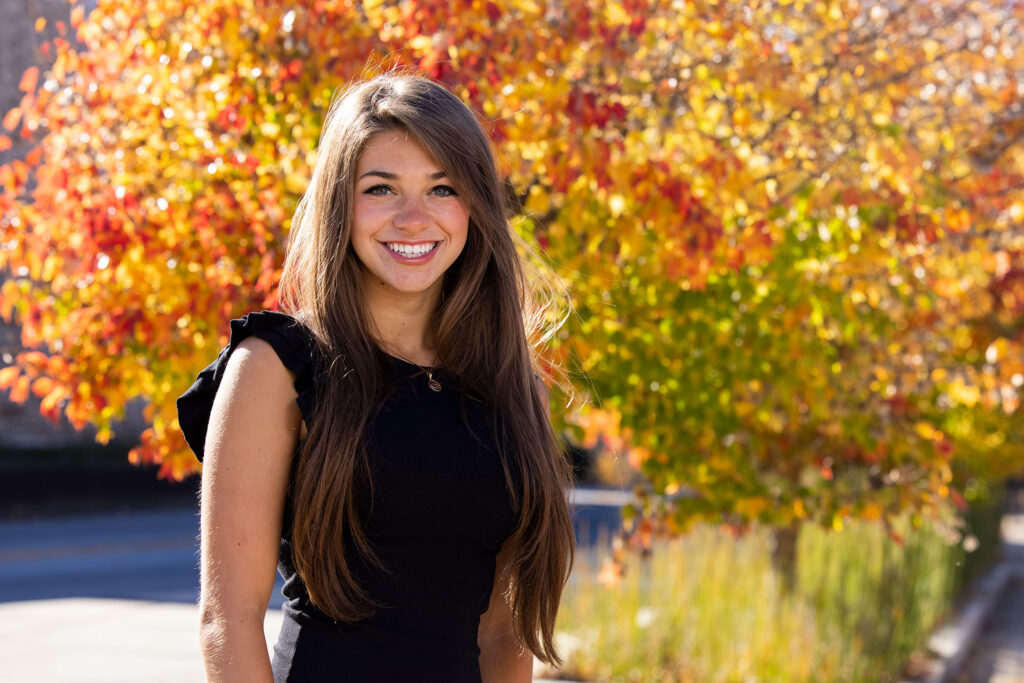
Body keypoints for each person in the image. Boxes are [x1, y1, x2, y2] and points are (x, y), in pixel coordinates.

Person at [176, 73, 575, 682]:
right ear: (340, 202)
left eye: (442, 188)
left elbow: (502, 632)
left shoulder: (512, 388)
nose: (414, 219)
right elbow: (227, 617)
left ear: (474, 207)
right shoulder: (276, 367)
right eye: (382, 189)